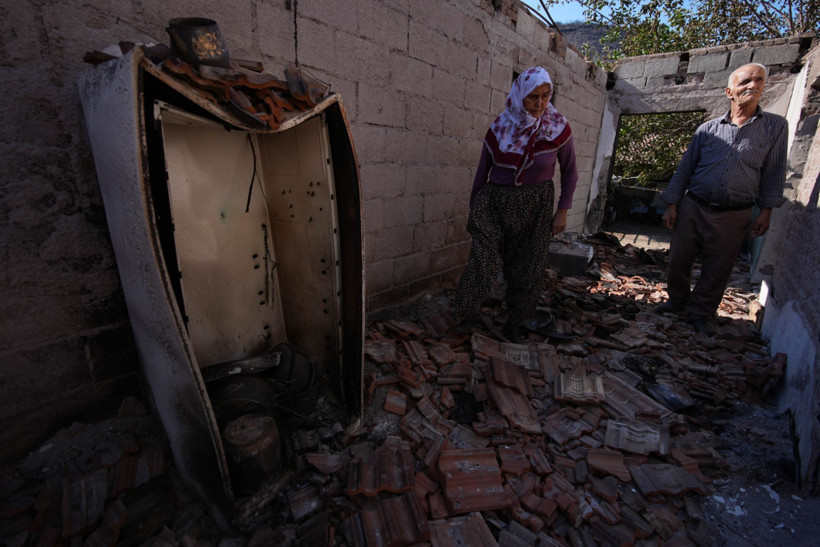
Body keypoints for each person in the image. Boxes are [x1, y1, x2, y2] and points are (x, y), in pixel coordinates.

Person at [656, 62, 788, 335]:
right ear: (730, 92)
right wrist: (672, 204)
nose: (753, 86)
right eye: (745, 82)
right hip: (694, 205)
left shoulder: (775, 127)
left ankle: (700, 312)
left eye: (759, 80)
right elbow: (686, 168)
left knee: (718, 266)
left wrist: (766, 211)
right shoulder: (708, 129)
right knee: (679, 258)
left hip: (735, 212)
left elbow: (774, 172)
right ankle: (677, 301)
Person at [452, 67, 578, 343]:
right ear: (520, 95)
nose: (540, 103)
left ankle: (516, 322)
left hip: (536, 205)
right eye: (533, 96)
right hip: (494, 203)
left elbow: (570, 172)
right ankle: (464, 314)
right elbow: (482, 171)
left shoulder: (557, 127)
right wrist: (475, 208)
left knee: (528, 267)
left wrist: (562, 211)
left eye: (545, 95)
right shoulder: (500, 127)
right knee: (483, 261)